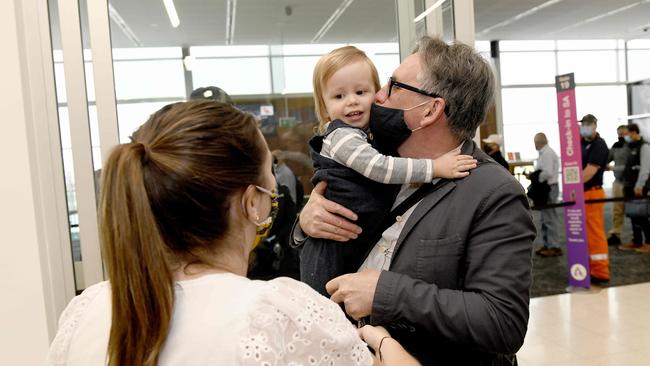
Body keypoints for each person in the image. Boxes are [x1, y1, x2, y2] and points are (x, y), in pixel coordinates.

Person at [46, 101, 414, 365]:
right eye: (269, 169)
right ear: (253, 203)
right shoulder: (279, 315)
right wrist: (380, 342)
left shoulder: (86, 310)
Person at [293, 36, 535, 365]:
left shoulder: (493, 192)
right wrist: (306, 222)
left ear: (430, 110)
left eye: (392, 87)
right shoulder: (375, 162)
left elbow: (502, 322)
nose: (376, 96)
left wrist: (386, 293)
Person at [302, 45, 477, 295]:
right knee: (322, 306)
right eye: (338, 97)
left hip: (358, 251)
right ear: (324, 105)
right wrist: (435, 168)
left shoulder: (373, 136)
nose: (352, 101)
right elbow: (380, 168)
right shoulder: (342, 136)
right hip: (332, 249)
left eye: (362, 91)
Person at [579, 114, 611, 283]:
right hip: (582, 193)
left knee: (594, 232)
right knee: (584, 233)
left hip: (592, 192)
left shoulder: (599, 145)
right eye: (583, 123)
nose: (585, 126)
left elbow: (590, 171)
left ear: (595, 125)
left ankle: (600, 270)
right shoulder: (582, 143)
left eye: (588, 124)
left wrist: (573, 185)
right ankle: (589, 266)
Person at [619, 123, 650, 253]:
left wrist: (639, 185)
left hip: (639, 186)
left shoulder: (644, 147)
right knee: (633, 214)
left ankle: (649, 242)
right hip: (628, 185)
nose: (625, 136)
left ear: (634, 132)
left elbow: (645, 169)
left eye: (626, 134)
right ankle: (636, 241)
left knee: (642, 215)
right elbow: (628, 167)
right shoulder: (631, 147)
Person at [532, 133, 562, 257]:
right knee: (545, 218)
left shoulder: (547, 153)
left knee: (549, 218)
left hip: (549, 188)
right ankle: (547, 244)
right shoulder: (545, 153)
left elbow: (548, 173)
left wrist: (536, 177)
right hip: (548, 187)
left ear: (538, 142)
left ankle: (554, 246)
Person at [607, 125, 630, 246]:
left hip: (631, 183)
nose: (621, 136)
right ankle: (616, 234)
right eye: (619, 133)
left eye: (623, 133)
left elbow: (631, 167)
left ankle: (638, 238)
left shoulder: (634, 146)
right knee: (617, 210)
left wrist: (614, 168)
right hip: (618, 182)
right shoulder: (616, 146)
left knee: (636, 211)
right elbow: (606, 159)